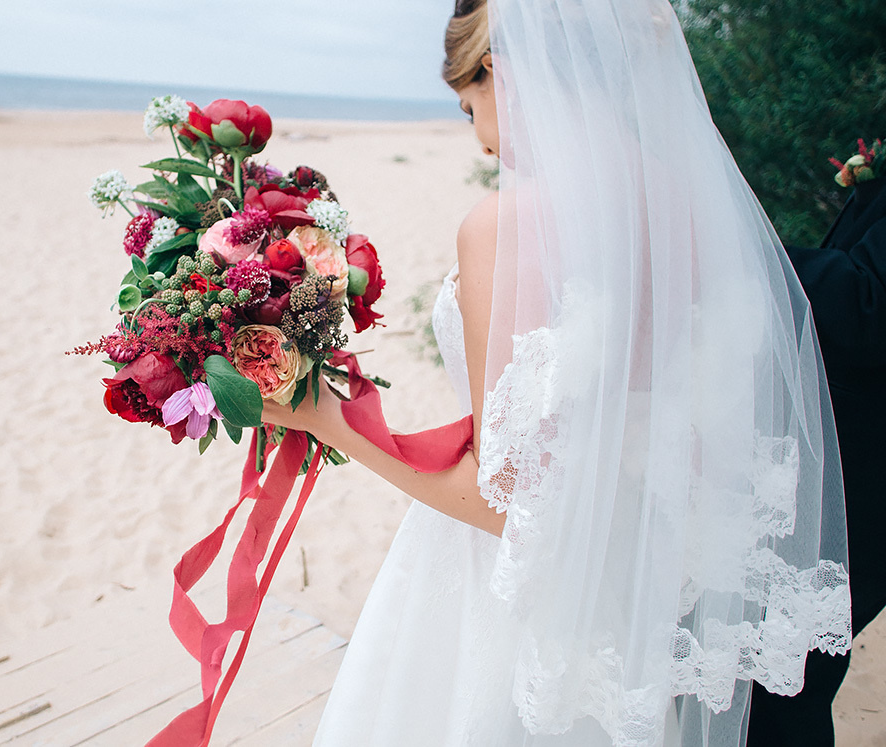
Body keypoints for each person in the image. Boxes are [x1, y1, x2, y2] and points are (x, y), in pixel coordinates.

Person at [262, 0, 853, 744]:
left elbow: (507, 504)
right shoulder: (689, 207)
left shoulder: (504, 226)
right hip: (626, 611)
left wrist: (322, 413)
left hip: (511, 612)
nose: (479, 141)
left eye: (467, 107)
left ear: (502, 75)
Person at [747, 152, 886, 746]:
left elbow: (869, 306)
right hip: (834, 465)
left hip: (864, 478)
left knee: (783, 683)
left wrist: (740, 244)